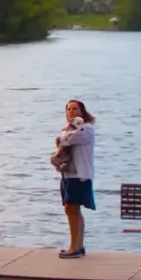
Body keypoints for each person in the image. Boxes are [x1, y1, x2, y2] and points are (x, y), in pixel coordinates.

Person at [52, 99, 96, 258]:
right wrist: (65, 134)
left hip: (79, 175)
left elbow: (67, 139)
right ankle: (79, 245)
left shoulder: (87, 129)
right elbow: (61, 137)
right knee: (72, 209)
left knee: (72, 209)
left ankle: (74, 247)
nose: (71, 111)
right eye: (68, 109)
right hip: (68, 173)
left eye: (74, 109)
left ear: (82, 112)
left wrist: (65, 135)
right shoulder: (67, 129)